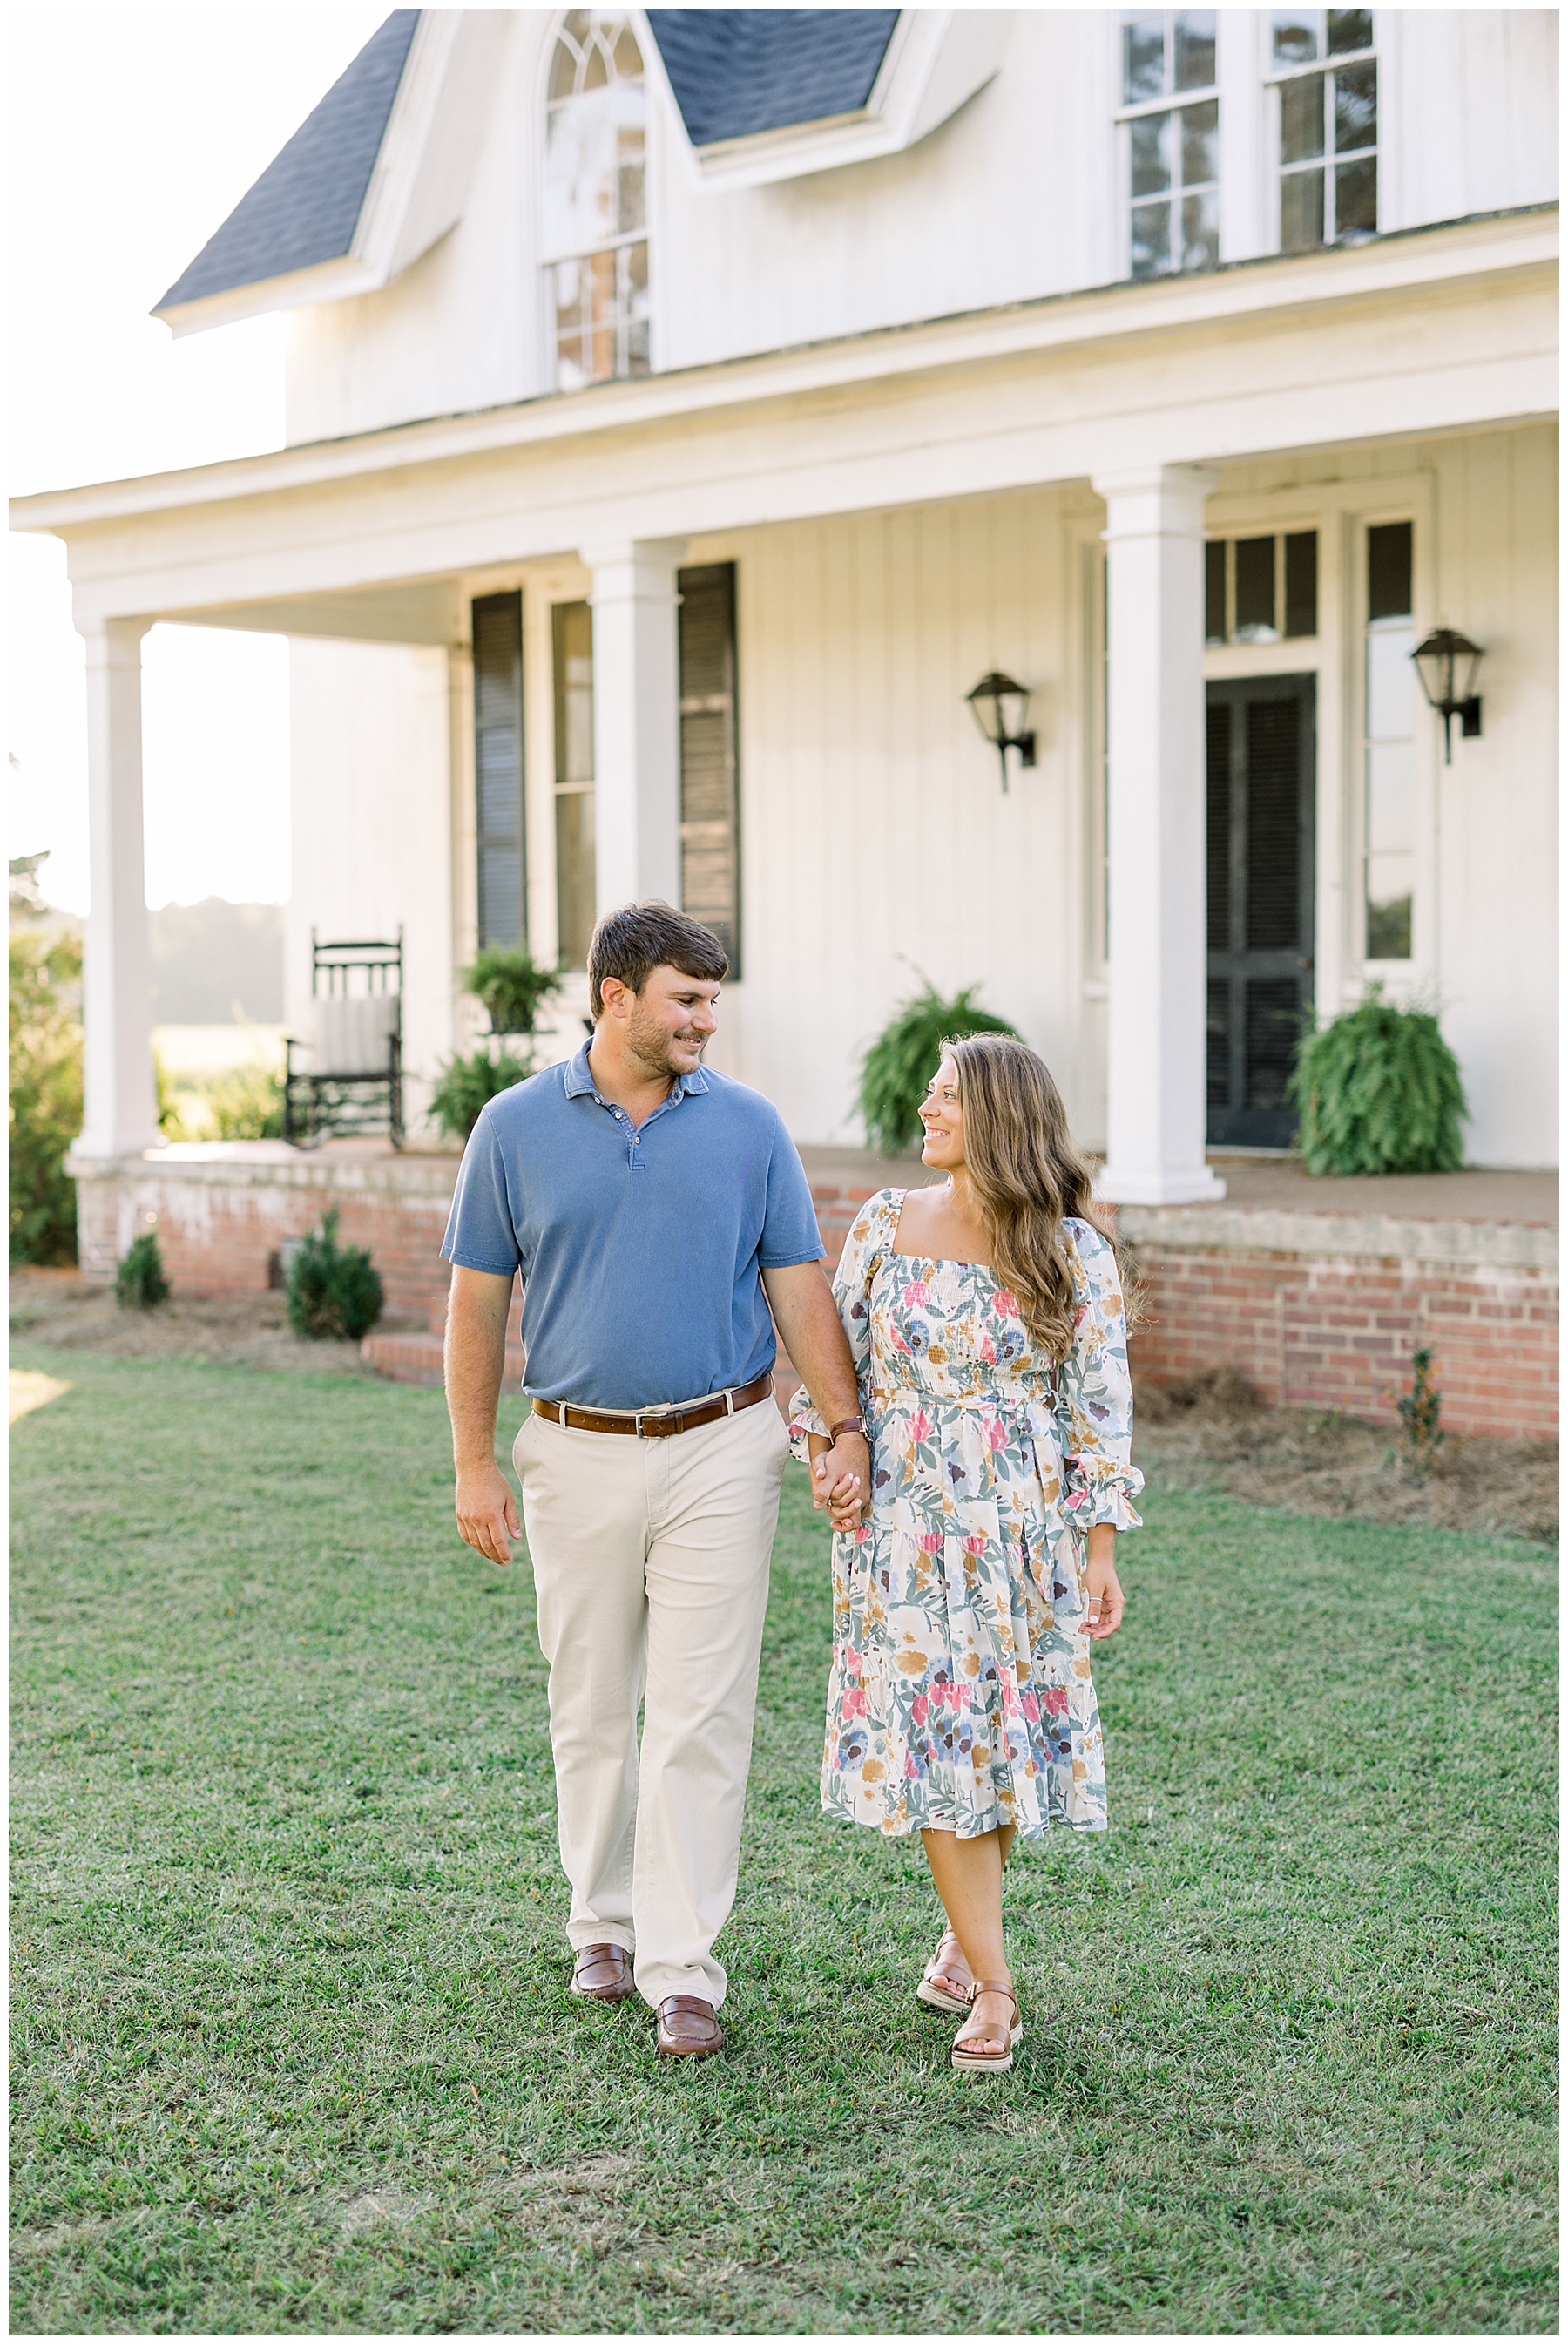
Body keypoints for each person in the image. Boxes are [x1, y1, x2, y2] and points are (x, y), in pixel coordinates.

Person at [441, 901, 868, 2060]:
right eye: (687, 999)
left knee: (701, 1713)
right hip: (570, 1450)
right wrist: (475, 1458)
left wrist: (843, 1423)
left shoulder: (751, 1129)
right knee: (589, 1704)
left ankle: (684, 1969)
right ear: (615, 996)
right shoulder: (515, 1127)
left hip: (723, 1445)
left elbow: (797, 1282)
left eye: (713, 1000)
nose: (706, 1021)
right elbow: (478, 1299)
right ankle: (603, 1923)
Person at [791, 1033, 1141, 2075]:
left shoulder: (1073, 1251)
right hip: (902, 1529)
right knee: (940, 1743)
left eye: (947, 1094)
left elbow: (1100, 1408)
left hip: (1021, 1530)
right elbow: (831, 1357)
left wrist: (1101, 1549)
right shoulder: (885, 1223)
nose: (926, 1104)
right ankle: (994, 1982)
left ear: (996, 1114)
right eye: (931, 1090)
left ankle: (967, 1947)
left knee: (994, 1736)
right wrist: (825, 1445)